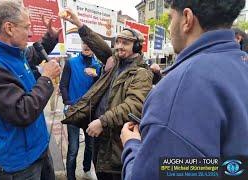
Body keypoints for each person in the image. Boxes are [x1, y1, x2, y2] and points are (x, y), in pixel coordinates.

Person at [120, 0, 248, 179]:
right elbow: (229, 168)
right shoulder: (242, 65)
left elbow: (156, 173)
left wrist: (132, 146)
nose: (170, 28)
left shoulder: (176, 91)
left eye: (171, 18)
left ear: (187, 19)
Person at [0, 1, 61, 179]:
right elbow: (21, 111)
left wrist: (49, 37)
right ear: (9, 28)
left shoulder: (12, 52)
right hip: (20, 164)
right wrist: (46, 78)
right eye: (27, 27)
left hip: (38, 148)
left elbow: (32, 54)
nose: (31, 33)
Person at [60, 9, 153, 179]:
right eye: (118, 42)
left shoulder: (141, 73)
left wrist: (102, 121)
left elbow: (134, 106)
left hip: (116, 148)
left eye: (125, 43)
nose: (119, 46)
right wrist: (79, 24)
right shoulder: (115, 62)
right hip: (101, 142)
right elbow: (97, 44)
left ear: (137, 47)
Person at [59, 42, 102, 180]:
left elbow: (100, 89)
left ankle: (86, 169)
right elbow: (63, 85)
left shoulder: (97, 66)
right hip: (74, 111)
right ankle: (71, 177)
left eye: (90, 43)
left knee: (90, 145)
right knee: (73, 148)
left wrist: (96, 76)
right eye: (84, 43)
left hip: (90, 113)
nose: (87, 46)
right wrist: (68, 103)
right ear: (81, 45)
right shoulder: (71, 62)